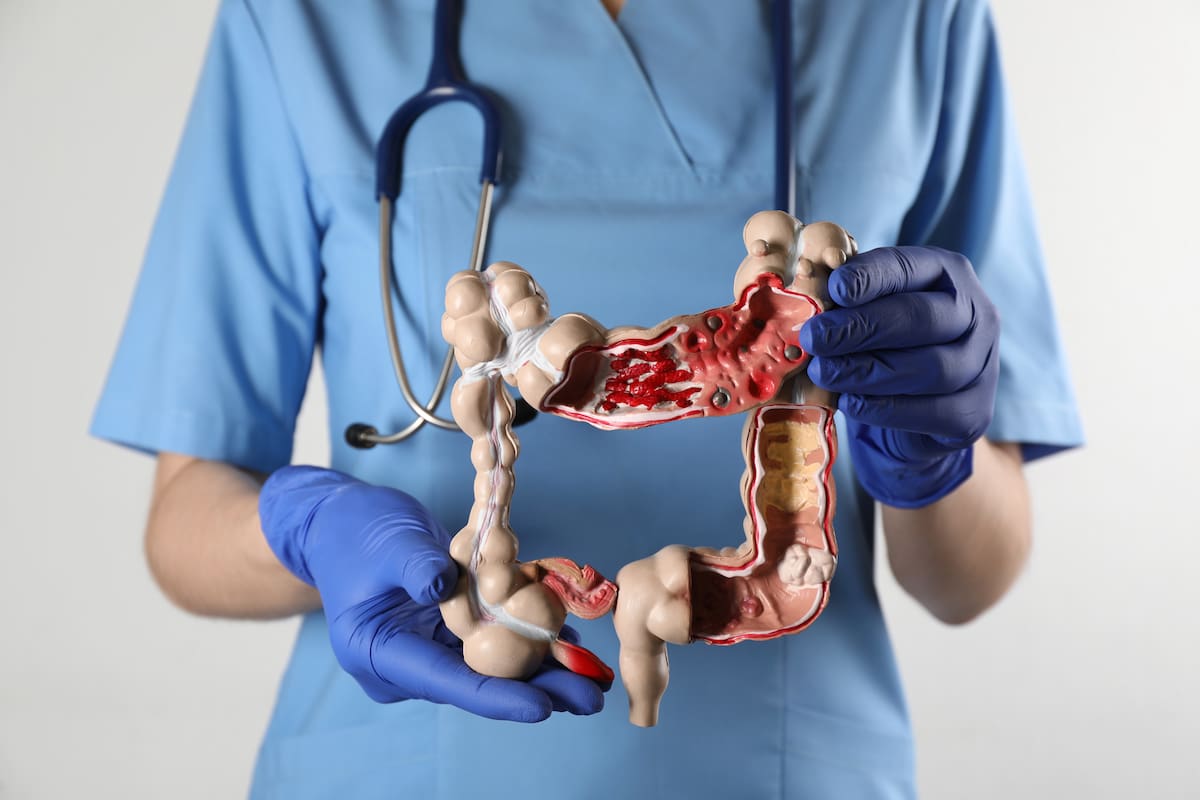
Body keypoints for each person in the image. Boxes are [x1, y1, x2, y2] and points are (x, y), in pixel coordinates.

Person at [92, 1, 1083, 797]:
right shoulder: (304, 19)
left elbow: (972, 575)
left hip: (779, 764)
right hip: (402, 764)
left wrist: (929, 455)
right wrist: (311, 527)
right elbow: (184, 520)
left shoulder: (912, 20)